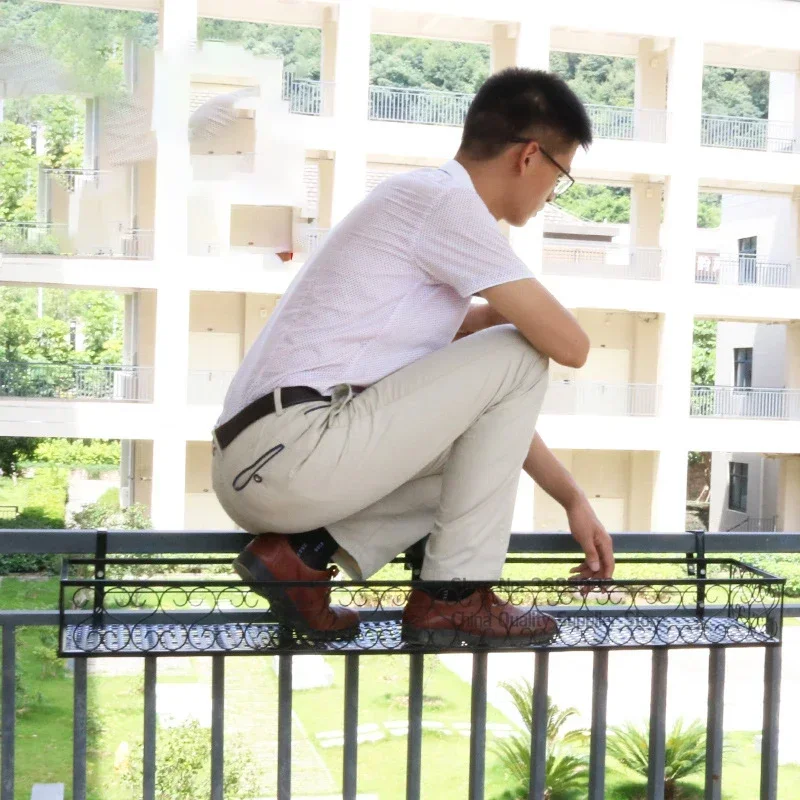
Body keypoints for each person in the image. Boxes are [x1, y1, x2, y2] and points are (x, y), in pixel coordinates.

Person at [211, 67, 616, 646]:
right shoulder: (445, 204)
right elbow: (570, 347)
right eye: (562, 174)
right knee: (519, 351)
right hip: (288, 450)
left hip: (271, 461)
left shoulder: (427, 207)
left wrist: (572, 499)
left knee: (481, 450)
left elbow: (489, 414)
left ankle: (302, 556)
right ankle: (452, 597)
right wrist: (518, 311)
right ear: (530, 157)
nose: (554, 194)